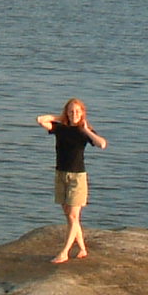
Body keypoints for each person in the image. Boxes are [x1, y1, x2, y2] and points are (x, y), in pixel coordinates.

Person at [36, 97, 107, 263]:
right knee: (69, 216)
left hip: (77, 177)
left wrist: (86, 129)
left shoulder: (84, 132)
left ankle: (64, 252)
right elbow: (41, 120)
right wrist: (60, 118)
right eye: (71, 111)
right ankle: (82, 248)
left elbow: (102, 144)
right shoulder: (60, 128)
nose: (74, 114)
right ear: (66, 113)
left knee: (74, 216)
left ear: (82, 113)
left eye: (77, 111)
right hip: (61, 175)